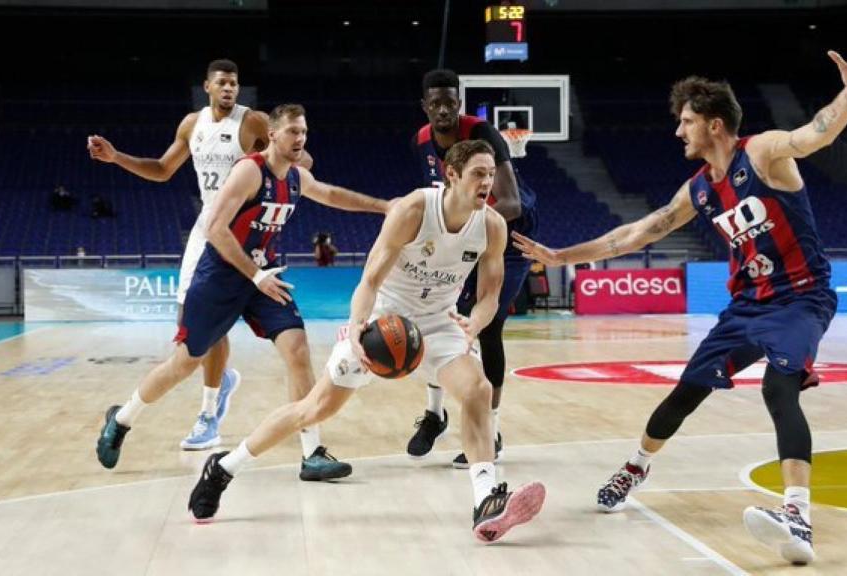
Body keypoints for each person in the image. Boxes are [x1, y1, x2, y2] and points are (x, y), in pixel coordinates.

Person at [512, 37, 847, 565]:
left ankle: (797, 518)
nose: (679, 131)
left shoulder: (761, 153)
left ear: (714, 124)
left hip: (801, 300)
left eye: (687, 121)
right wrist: (561, 256)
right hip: (745, 307)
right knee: (686, 392)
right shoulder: (697, 190)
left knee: (779, 387)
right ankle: (635, 467)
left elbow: (814, 135)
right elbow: (635, 235)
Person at [186, 140, 545, 542]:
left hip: (442, 324)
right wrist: (358, 325)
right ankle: (224, 467)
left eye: (491, 175)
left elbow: (489, 297)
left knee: (478, 389)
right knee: (313, 409)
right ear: (452, 175)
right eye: (479, 174)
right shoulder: (414, 209)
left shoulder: (492, 224)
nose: (487, 183)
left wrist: (474, 325)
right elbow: (371, 279)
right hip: (384, 322)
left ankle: (485, 501)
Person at [96, 104, 388, 483]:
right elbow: (216, 228)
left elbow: (332, 194)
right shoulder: (250, 170)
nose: (300, 139)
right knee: (184, 363)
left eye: (304, 132)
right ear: (272, 135)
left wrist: (384, 207)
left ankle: (312, 453)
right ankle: (121, 419)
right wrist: (255, 276)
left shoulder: (297, 177)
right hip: (221, 274)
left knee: (297, 348)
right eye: (292, 132)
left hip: (260, 274)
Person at [86, 59, 330, 468]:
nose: (229, 88)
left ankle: (211, 411)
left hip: (244, 235)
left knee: (284, 344)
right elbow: (163, 170)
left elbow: (302, 163)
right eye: (222, 83)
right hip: (209, 233)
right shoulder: (191, 125)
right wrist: (116, 158)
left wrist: (276, 167)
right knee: (192, 342)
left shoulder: (251, 122)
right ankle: (195, 400)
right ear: (207, 87)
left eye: (235, 83)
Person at [406, 68, 539, 468]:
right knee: (435, 318)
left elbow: (511, 203)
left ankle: (492, 432)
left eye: (451, 101)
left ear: (459, 104)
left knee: (489, 327)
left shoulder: (482, 132)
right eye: (436, 103)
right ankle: (434, 415)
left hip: (507, 236)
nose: (444, 109)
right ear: (425, 106)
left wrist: (464, 226)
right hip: (462, 234)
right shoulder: (421, 141)